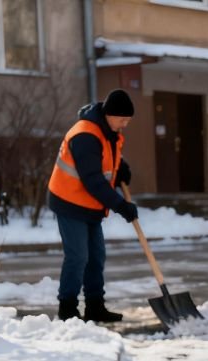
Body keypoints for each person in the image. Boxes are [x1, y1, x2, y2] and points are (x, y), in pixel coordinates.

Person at [48, 88, 140, 322]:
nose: (125, 124)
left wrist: (121, 169)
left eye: (127, 120)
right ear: (109, 114)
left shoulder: (108, 131)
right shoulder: (85, 135)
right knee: (78, 256)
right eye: (122, 119)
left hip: (89, 204)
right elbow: (93, 180)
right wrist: (121, 206)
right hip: (69, 201)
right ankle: (67, 309)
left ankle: (95, 306)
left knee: (96, 256)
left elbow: (107, 158)